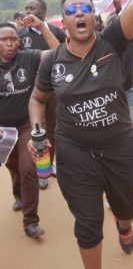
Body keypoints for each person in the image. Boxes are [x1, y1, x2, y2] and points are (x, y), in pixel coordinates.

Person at [28, 0, 133, 269]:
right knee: (88, 221)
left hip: (119, 145)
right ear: (64, 22)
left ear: (94, 16)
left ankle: (124, 225)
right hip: (75, 150)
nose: (79, 12)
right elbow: (37, 98)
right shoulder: (53, 62)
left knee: (127, 208)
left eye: (85, 8)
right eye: (71, 10)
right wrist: (36, 131)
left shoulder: (113, 42)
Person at [0, 16, 59, 237]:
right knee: (13, 166)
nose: (10, 43)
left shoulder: (30, 57)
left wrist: (42, 26)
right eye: (4, 39)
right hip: (2, 131)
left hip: (27, 125)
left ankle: (30, 221)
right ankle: (18, 196)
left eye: (14, 39)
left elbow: (60, 51)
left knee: (28, 167)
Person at [18, 0, 66, 189]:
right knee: (38, 130)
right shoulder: (20, 34)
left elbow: (65, 53)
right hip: (31, 92)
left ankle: (49, 162)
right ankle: (41, 168)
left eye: (33, 8)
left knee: (52, 129)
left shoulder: (55, 32)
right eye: (27, 7)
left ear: (43, 13)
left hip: (53, 89)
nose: (28, 11)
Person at [105, 0, 133, 184]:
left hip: (129, 91)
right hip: (109, 96)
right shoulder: (102, 45)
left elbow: (129, 22)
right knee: (112, 134)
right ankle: (116, 170)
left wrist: (120, 7)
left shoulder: (128, 40)